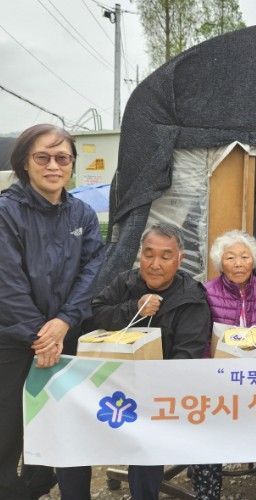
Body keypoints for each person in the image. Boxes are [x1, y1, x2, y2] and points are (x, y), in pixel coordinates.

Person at [55, 222, 211, 500]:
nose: (155, 264)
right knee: (70, 434)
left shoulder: (191, 297)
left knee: (147, 441)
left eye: (165, 256)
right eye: (148, 254)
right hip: (107, 385)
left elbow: (187, 356)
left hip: (157, 394)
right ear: (140, 254)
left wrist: (151, 387)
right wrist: (133, 308)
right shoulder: (125, 282)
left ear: (180, 259)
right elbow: (93, 317)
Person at [0, 124, 105, 500]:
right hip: (13, 341)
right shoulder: (6, 212)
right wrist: (39, 336)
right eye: (42, 157)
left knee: (57, 427)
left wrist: (63, 323)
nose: (53, 166)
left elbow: (92, 271)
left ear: (72, 164)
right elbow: (6, 282)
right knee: (7, 431)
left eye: (62, 158)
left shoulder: (83, 214)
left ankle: (36, 487)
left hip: (64, 338)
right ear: (25, 163)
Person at [192, 230, 256, 500]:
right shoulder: (206, 293)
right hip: (218, 385)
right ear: (220, 262)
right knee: (208, 437)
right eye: (230, 257)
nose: (238, 263)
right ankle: (207, 493)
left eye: (244, 257)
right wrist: (214, 373)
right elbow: (200, 340)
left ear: (254, 260)